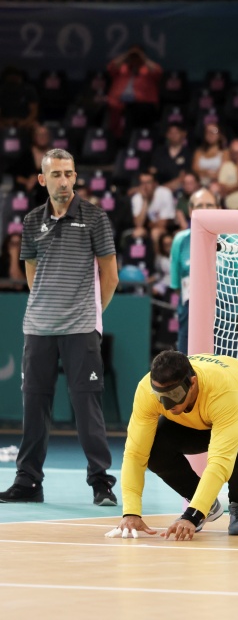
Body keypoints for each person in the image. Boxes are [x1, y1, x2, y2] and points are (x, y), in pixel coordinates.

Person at [0, 149, 119, 505]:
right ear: (42, 179)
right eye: (56, 175)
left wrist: (89, 311)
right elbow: (31, 271)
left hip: (81, 328)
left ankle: (101, 483)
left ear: (76, 176)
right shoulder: (33, 220)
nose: (64, 180)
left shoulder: (96, 218)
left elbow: (109, 276)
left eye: (69, 173)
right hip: (38, 329)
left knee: (87, 408)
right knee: (34, 405)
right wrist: (48, 307)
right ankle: (28, 482)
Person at [113, 351, 238, 540]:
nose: (167, 406)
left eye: (174, 394)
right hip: (204, 416)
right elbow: (135, 454)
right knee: (153, 448)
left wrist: (192, 516)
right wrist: (131, 512)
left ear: (192, 383)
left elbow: (220, 460)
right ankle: (205, 505)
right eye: (160, 396)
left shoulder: (221, 388)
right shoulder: (146, 390)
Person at [170, 189, 219, 353]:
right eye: (200, 206)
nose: (205, 209)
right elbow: (176, 284)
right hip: (189, 320)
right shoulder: (180, 240)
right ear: (191, 211)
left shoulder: (232, 240)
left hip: (225, 323)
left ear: (218, 209)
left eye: (209, 205)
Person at [150, 122, 193, 193]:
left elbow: (183, 177)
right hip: (157, 188)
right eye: (171, 133)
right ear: (167, 135)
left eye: (176, 133)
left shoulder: (188, 153)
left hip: (178, 189)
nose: (173, 136)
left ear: (183, 134)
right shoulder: (159, 152)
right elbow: (152, 171)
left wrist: (162, 189)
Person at [0, 66, 39, 130]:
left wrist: (24, 122)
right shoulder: (1, 91)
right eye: (10, 76)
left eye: (15, 76)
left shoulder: (29, 90)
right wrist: (4, 122)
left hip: (25, 120)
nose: (13, 78)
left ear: (20, 77)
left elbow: (34, 111)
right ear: (6, 78)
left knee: (36, 126)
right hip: (5, 121)